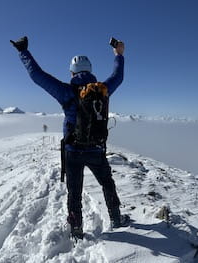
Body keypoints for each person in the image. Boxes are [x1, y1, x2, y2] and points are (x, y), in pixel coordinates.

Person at [10, 36, 128, 239]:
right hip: (97, 149)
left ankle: (76, 230)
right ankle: (116, 218)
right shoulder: (103, 89)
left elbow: (37, 75)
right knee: (107, 183)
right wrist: (118, 55)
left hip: (73, 150)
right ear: (90, 70)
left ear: (72, 72)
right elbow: (118, 76)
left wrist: (23, 52)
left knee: (74, 193)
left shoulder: (66, 91)